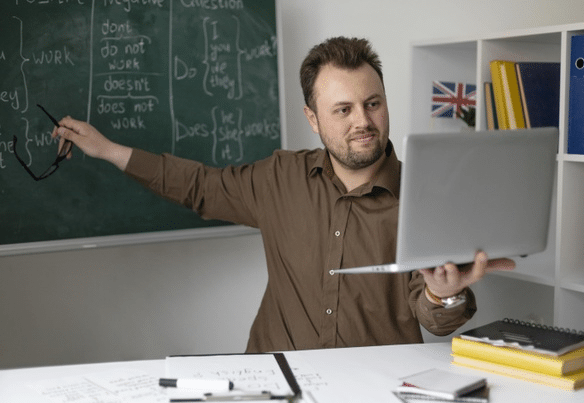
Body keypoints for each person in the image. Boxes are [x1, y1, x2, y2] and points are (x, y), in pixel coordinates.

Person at [52, 37, 515, 353]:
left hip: (370, 392)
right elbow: (198, 186)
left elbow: (435, 318)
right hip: (274, 383)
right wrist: (109, 149)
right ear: (313, 118)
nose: (363, 122)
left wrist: (441, 295)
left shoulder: (426, 196)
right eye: (343, 109)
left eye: (373, 104)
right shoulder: (279, 178)